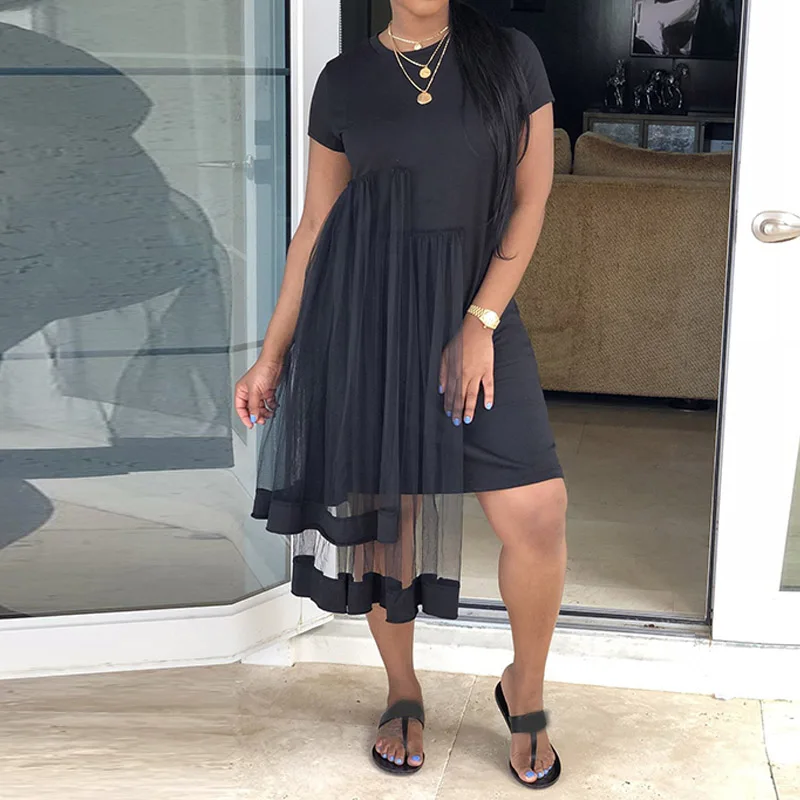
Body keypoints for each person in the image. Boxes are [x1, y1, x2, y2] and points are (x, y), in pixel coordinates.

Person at [235, 0, 567, 788]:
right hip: (371, 322)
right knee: (389, 525)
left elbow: (532, 198)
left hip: (476, 315)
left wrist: (481, 320)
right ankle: (402, 690)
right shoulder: (344, 80)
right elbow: (315, 226)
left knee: (536, 511)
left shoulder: (508, 57)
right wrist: (271, 356)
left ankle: (524, 691)